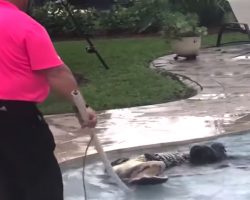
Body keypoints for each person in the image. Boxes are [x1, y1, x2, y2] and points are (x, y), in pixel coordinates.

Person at [0, 0, 97, 199]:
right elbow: (56, 72)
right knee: (40, 183)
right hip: (16, 120)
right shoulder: (24, 24)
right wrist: (82, 107)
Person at [111, 142, 227, 185]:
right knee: (160, 165)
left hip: (129, 164)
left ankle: (134, 175)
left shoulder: (183, 157)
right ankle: (141, 176)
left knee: (158, 165)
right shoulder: (181, 160)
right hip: (142, 163)